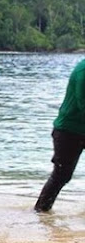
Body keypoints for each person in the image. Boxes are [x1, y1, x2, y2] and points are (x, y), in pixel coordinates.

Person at [35, 59, 85, 212]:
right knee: (62, 175)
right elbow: (83, 103)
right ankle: (41, 212)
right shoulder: (83, 72)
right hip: (69, 130)